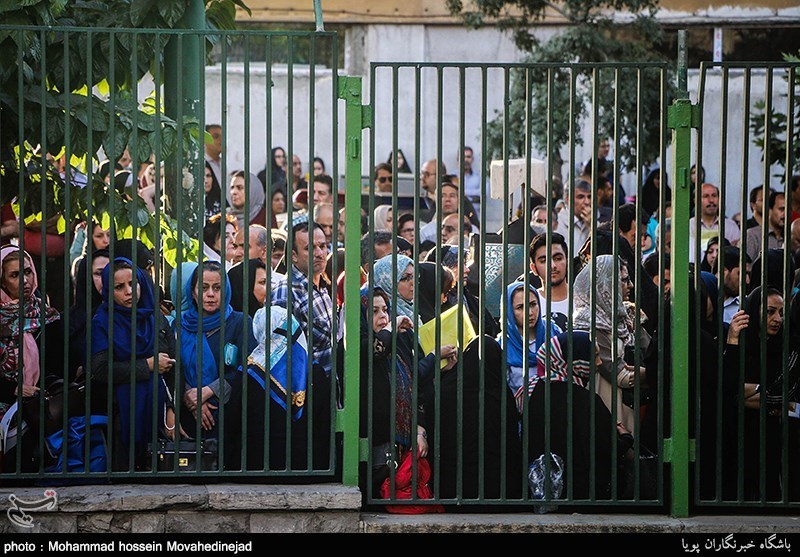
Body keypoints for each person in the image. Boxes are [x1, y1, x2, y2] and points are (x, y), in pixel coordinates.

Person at [90, 257, 177, 471]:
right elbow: (101, 370)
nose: (129, 291)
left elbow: (174, 367)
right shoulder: (102, 322)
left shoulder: (155, 318)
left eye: (132, 283)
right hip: (120, 415)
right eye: (119, 287)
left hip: (158, 412)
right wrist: (147, 366)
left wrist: (171, 409)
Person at [726, 286, 800, 500]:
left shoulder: (790, 347)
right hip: (739, 433)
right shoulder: (739, 344)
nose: (778, 319)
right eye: (770, 312)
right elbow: (728, 389)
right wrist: (732, 340)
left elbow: (785, 395)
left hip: (778, 435)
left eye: (781, 313)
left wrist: (745, 394)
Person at [178, 260, 255, 462]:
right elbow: (173, 369)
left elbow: (248, 368)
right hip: (187, 416)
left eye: (217, 288)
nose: (210, 294)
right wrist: (191, 398)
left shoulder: (240, 323)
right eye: (203, 288)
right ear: (193, 292)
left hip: (228, 417)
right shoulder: (179, 326)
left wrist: (208, 391)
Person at [0, 247, 61, 470]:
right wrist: (15, 389)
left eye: (27, 272)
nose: (25, 280)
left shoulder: (48, 317)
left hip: (39, 408)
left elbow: (57, 366)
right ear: (3, 282)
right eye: (15, 275)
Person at [228, 305, 310, 471]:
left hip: (255, 468)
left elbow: (232, 425)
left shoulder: (248, 373)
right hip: (305, 468)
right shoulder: (314, 372)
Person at [572, 255, 645, 432]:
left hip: (631, 408)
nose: (630, 285)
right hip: (607, 410)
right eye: (624, 280)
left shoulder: (623, 317)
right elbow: (622, 376)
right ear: (606, 284)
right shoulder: (590, 325)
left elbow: (650, 349)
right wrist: (649, 374)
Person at [69, 248, 109, 376]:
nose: (106, 278)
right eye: (99, 273)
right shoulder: (68, 321)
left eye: (110, 272)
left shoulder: (130, 316)